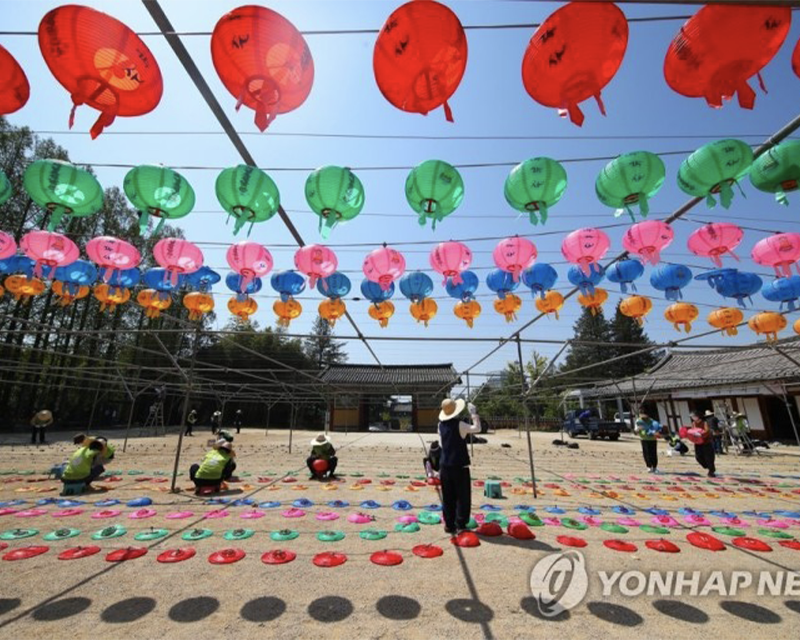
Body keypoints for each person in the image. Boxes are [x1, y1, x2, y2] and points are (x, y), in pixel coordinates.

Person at [438, 398, 481, 536]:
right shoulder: (460, 425)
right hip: (459, 465)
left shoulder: (439, 425)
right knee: (462, 496)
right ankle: (461, 524)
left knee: (448, 496)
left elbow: (441, 444)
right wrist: (474, 414)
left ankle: (449, 525)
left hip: (445, 465)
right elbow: (477, 428)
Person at [690, 411, 716, 477]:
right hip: (698, 442)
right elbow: (692, 430)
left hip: (706, 442)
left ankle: (711, 471)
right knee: (698, 457)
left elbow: (707, 431)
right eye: (692, 417)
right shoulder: (693, 423)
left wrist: (701, 434)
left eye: (694, 416)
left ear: (698, 416)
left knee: (709, 457)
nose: (693, 418)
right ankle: (707, 466)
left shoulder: (704, 423)